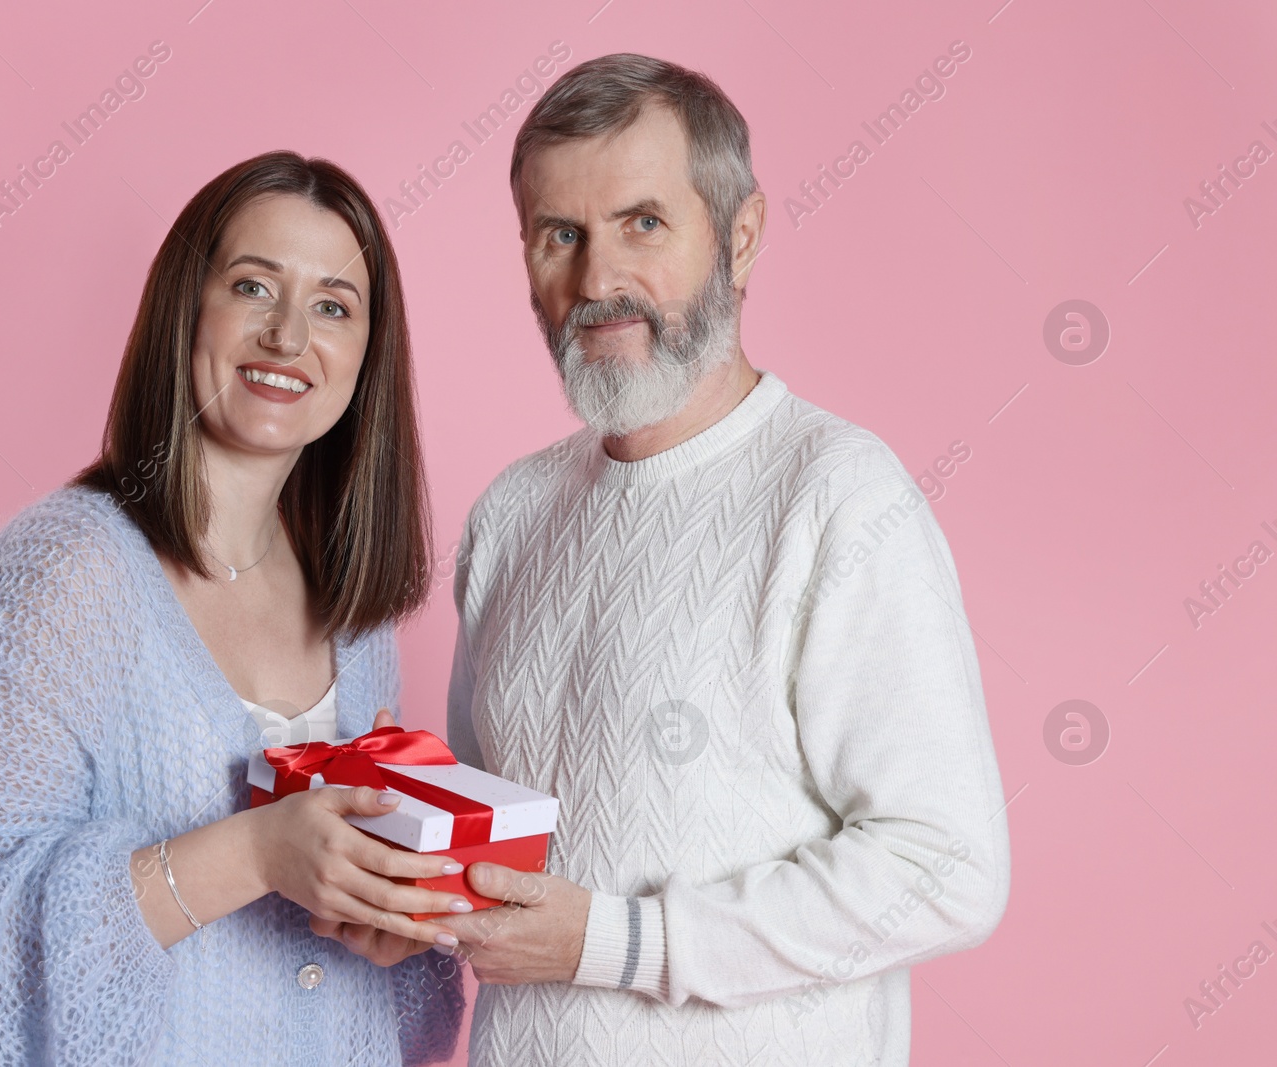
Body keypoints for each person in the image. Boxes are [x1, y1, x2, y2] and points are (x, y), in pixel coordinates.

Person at [415, 53, 1009, 1065]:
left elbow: (943, 867)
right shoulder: (511, 512)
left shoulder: (837, 496)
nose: (596, 281)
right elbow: (493, 851)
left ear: (739, 237)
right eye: (560, 234)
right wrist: (398, 900)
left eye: (643, 222)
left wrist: (621, 939)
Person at [0, 151, 467, 1066]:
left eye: (334, 305)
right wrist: (255, 854)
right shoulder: (61, 574)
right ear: (188, 309)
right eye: (255, 287)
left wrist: (391, 913)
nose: (290, 336)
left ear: (367, 358)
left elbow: (373, 985)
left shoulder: (351, 608)